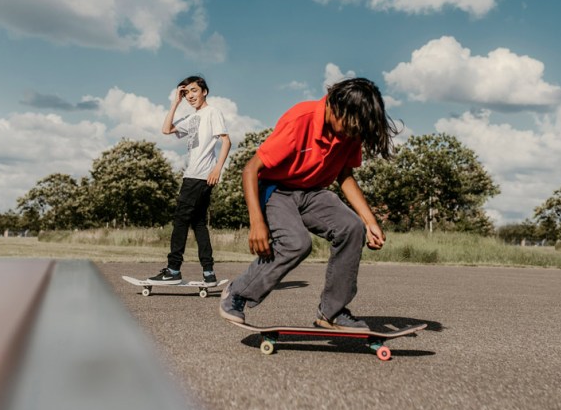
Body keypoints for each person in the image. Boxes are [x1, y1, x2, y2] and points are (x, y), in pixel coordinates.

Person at [219, 77, 399, 331]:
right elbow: (250, 169)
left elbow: (345, 175)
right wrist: (256, 223)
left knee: (352, 228)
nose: (352, 133)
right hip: (277, 190)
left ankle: (332, 312)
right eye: (351, 125)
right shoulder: (300, 120)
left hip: (313, 192)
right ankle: (237, 293)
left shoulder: (350, 128)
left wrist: (370, 222)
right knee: (296, 243)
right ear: (336, 106)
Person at [147, 75, 231, 286]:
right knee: (198, 222)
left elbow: (226, 141)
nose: (190, 96)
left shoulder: (212, 112)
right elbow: (166, 129)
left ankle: (173, 269)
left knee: (180, 220)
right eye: (186, 93)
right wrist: (175, 102)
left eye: (194, 91)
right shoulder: (192, 118)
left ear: (204, 91)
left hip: (198, 176)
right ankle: (209, 272)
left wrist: (217, 169)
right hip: (196, 175)